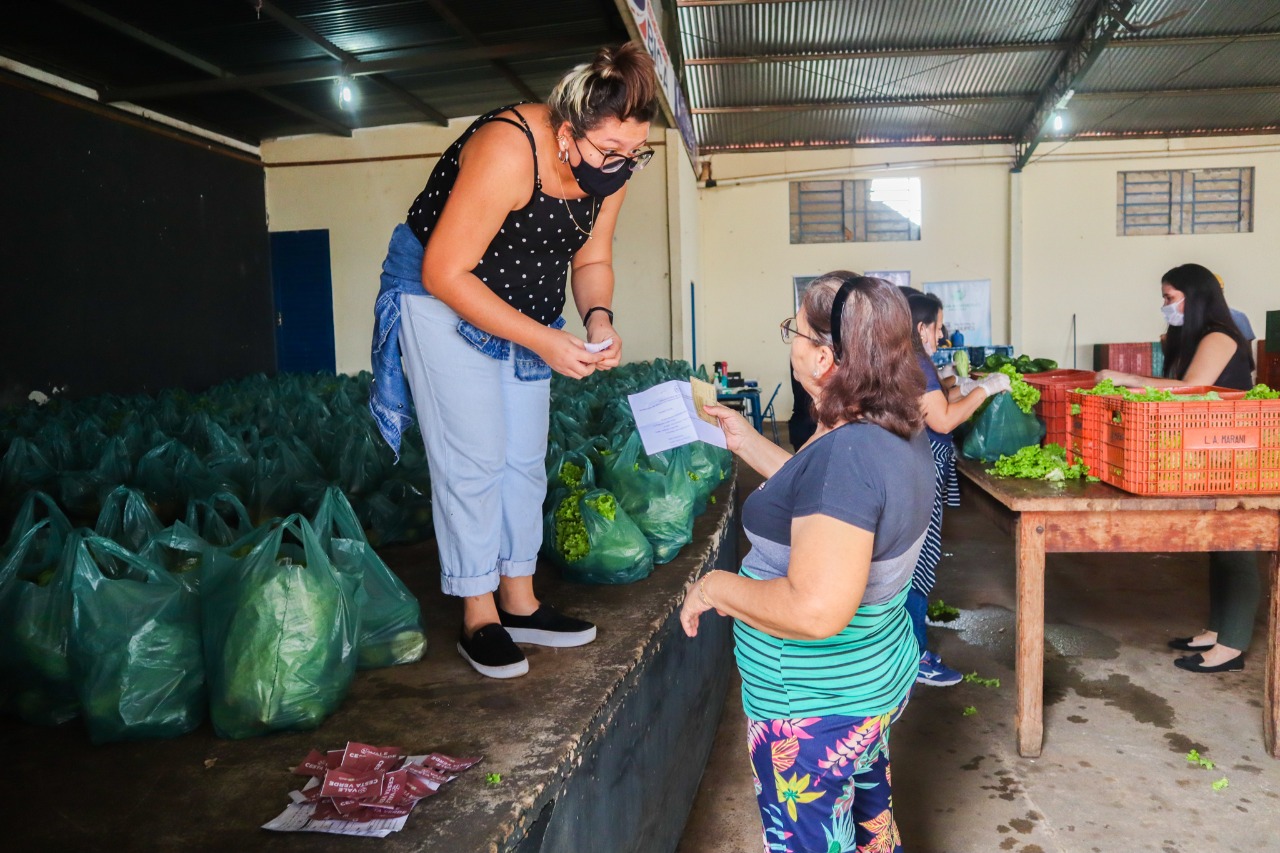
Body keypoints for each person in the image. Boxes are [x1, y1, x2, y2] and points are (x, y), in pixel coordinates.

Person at [368, 44, 659, 679]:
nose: (621, 165)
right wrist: (544, 341)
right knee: (472, 459)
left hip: (526, 306)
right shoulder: (508, 149)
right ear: (565, 130)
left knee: (523, 460)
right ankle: (480, 611)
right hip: (441, 294)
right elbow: (446, 271)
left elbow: (592, 258)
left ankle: (520, 600)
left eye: (633, 152)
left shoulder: (611, 171)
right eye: (609, 150)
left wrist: (598, 319)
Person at [680, 273, 935, 851]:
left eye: (791, 330)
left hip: (813, 708)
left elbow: (816, 611)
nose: (788, 341)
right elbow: (830, 508)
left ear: (823, 356)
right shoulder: (892, 426)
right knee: (871, 828)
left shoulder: (846, 457)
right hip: (867, 686)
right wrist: (745, 441)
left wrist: (716, 587)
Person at [1097, 262, 1257, 674]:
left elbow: (1192, 388)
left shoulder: (1221, 336)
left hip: (1233, 447)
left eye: (1170, 298)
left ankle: (1232, 646)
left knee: (1238, 544)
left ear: (1195, 296)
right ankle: (1218, 629)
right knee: (1220, 543)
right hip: (1209, 445)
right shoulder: (1195, 336)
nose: (1165, 306)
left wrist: (1123, 377)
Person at [904, 292, 1011, 686]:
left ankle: (905, 646)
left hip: (913, 466)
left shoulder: (907, 360)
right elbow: (944, 421)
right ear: (921, 327)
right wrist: (985, 390)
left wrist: (958, 386)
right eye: (937, 326)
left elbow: (935, 403)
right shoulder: (916, 362)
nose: (941, 333)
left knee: (911, 561)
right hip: (920, 468)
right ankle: (913, 656)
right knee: (917, 564)